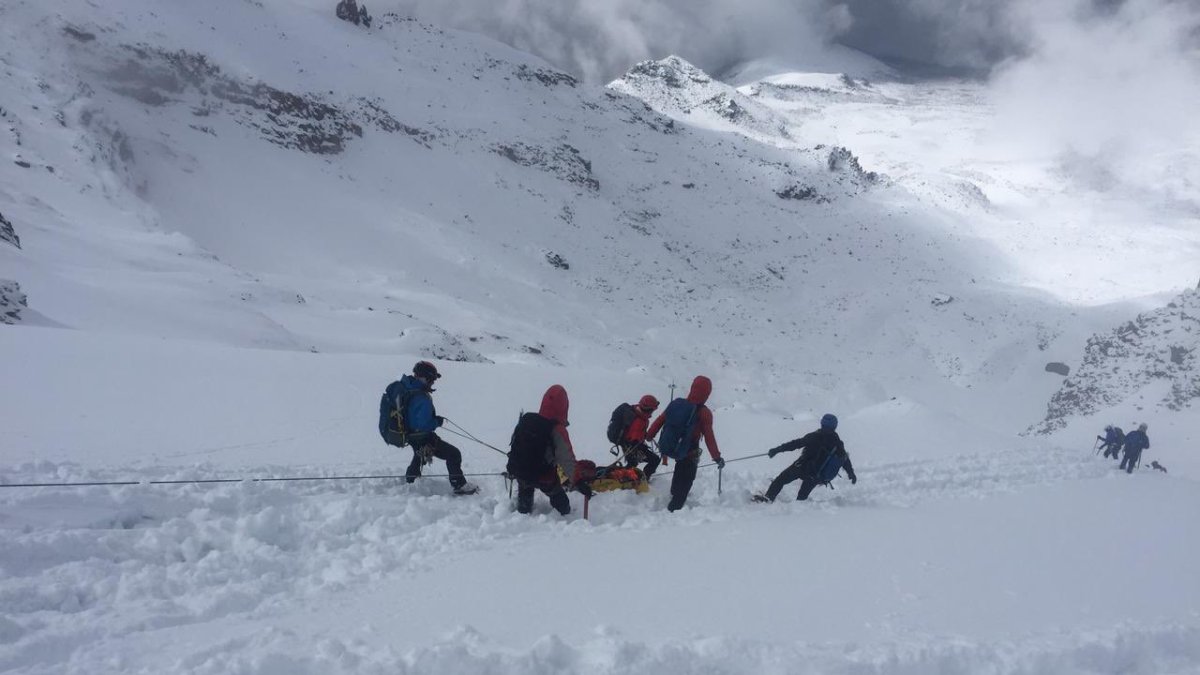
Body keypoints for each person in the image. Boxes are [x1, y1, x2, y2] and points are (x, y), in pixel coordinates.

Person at [392, 361, 477, 494]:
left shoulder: (410, 389)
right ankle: (459, 485)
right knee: (453, 454)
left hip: (411, 434)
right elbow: (423, 424)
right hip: (421, 436)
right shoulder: (421, 397)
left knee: (419, 454)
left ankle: (410, 481)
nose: (433, 382)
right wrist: (437, 421)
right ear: (425, 377)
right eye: (432, 379)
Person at [507, 384, 590, 515]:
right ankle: (565, 516)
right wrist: (578, 481)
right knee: (561, 502)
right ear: (564, 406)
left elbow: (515, 444)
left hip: (522, 472)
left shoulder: (528, 420)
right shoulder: (557, 429)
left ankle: (523, 515)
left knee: (525, 490)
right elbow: (566, 458)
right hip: (544, 476)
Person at [645, 376, 724, 512]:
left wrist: (649, 435)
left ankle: (673, 496)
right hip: (690, 449)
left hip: (674, 446)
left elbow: (660, 420)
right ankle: (674, 509)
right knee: (687, 477)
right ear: (707, 393)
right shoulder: (704, 412)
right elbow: (709, 437)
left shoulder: (677, 403)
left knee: (679, 469)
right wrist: (716, 457)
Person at [753, 414, 857, 503]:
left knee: (780, 480)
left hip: (801, 467)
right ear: (835, 426)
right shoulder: (837, 442)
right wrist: (851, 473)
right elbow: (844, 459)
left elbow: (795, 444)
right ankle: (800, 517)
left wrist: (776, 450)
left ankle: (768, 499)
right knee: (801, 498)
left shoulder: (814, 436)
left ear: (822, 423)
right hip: (816, 476)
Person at [618, 395, 661, 479]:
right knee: (654, 460)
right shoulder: (639, 420)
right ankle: (642, 479)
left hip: (628, 444)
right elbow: (634, 437)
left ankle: (624, 477)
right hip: (632, 446)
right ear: (649, 409)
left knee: (632, 462)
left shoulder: (636, 412)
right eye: (653, 409)